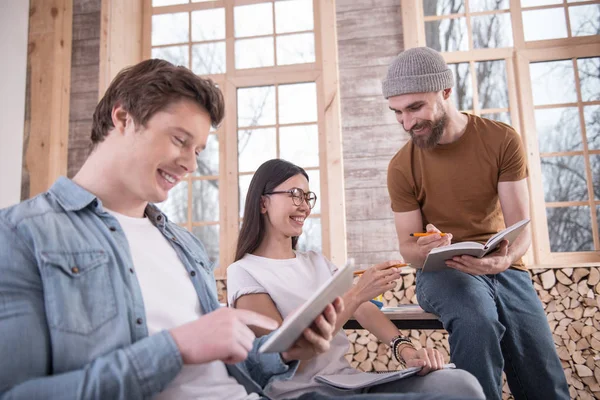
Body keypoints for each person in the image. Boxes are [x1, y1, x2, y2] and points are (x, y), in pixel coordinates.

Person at [0, 59, 347, 400]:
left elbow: (228, 368)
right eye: (180, 140)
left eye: (197, 150)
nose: (192, 164)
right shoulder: (21, 234)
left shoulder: (185, 245)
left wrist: (284, 352)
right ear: (123, 118)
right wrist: (176, 347)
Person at [383, 47, 569, 400]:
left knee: (541, 370)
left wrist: (503, 259)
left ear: (446, 92)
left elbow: (521, 225)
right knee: (476, 320)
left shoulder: (501, 140)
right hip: (443, 272)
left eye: (415, 108)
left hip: (504, 268)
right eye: (397, 113)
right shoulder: (401, 166)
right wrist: (423, 249)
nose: (407, 123)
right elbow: (408, 248)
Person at [226, 158, 485, 400]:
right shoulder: (244, 271)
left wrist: (406, 351)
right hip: (303, 392)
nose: (304, 206)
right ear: (263, 203)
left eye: (307, 196)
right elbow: (286, 355)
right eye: (294, 194)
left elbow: (362, 308)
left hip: (346, 381)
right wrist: (358, 292)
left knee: (462, 384)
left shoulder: (316, 261)